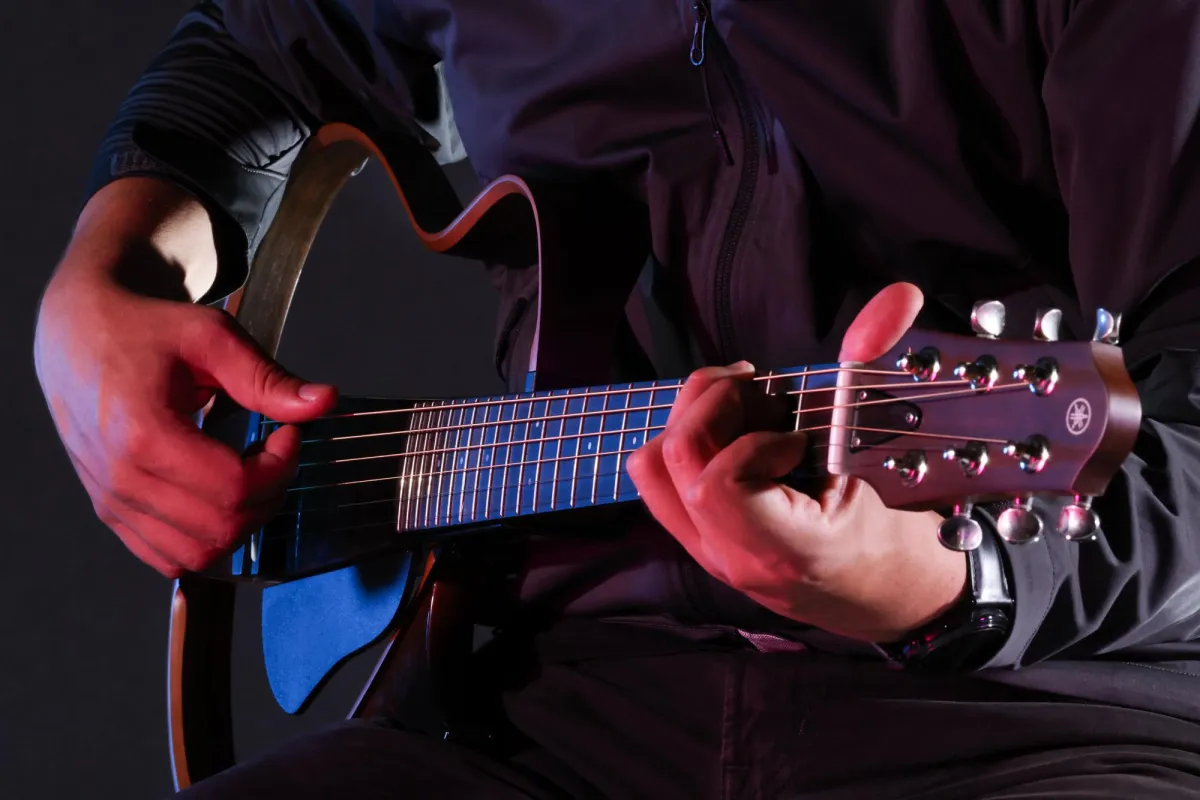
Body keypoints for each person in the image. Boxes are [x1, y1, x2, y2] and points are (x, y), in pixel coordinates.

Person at [32, 1, 1200, 797]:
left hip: (1060, 708)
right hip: (560, 707)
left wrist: (946, 585)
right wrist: (108, 272)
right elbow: (254, 46)